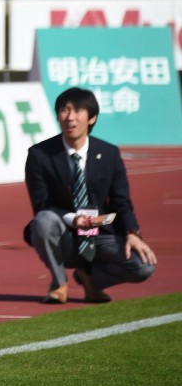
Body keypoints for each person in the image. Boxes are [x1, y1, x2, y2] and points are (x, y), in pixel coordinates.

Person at [24, 87, 157, 304]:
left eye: (78, 111)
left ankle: (90, 279)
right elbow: (42, 204)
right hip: (64, 234)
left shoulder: (110, 153)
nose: (70, 117)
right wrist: (73, 219)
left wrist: (132, 233)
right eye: (64, 110)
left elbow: (121, 202)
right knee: (43, 221)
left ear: (92, 117)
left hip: (99, 234)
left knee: (144, 266)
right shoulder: (39, 155)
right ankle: (59, 283)